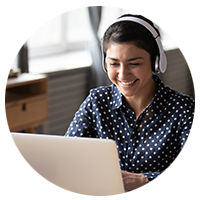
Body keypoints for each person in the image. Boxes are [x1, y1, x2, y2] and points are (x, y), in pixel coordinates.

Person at [65, 14, 195, 194]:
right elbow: (65, 158)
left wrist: (145, 180)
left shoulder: (183, 109)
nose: (123, 74)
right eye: (114, 63)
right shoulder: (96, 102)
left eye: (134, 63)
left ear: (156, 62)